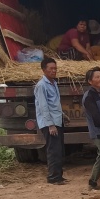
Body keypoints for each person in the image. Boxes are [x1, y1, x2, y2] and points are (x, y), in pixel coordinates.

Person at [33, 56, 67, 185]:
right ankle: (53, 177)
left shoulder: (54, 83)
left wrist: (63, 115)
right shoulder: (41, 86)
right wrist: (50, 125)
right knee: (53, 150)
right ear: (43, 70)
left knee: (59, 150)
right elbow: (43, 107)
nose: (54, 71)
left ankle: (59, 176)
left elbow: (54, 103)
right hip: (50, 123)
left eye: (55, 68)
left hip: (57, 120)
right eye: (51, 69)